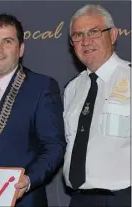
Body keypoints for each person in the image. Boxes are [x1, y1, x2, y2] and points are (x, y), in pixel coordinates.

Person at [0, 13, 66, 206]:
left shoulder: (41, 87)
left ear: (21, 49)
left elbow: (54, 146)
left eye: (7, 41)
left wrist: (28, 180)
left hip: (21, 200)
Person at [63, 4, 131, 207]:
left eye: (94, 32)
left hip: (122, 198)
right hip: (79, 199)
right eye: (78, 35)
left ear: (113, 35)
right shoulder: (72, 88)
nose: (86, 41)